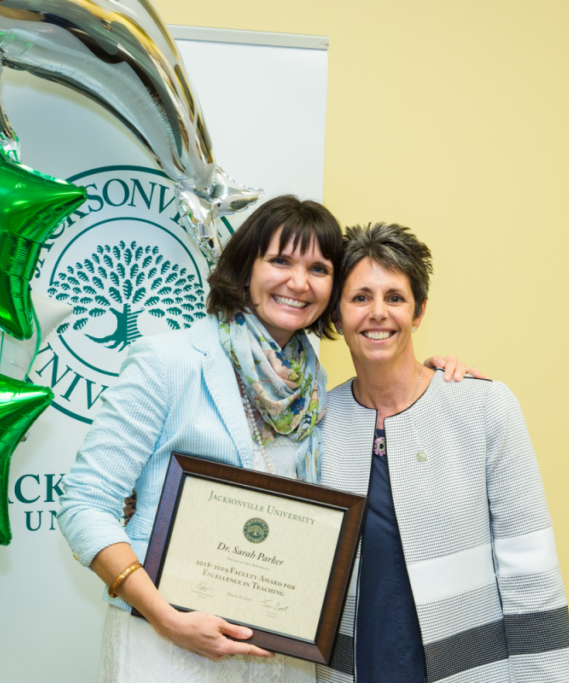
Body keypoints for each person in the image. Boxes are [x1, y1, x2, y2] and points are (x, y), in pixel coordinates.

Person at [56, 197, 479, 683]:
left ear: (332, 293)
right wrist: (166, 617)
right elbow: (84, 503)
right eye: (280, 261)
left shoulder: (315, 387)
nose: (298, 282)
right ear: (245, 270)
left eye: (318, 268)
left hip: (279, 659)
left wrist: (428, 380)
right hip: (168, 646)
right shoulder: (168, 362)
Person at [316, 223, 569, 683]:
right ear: (336, 315)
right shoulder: (316, 423)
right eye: (360, 298)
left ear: (419, 312)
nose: (378, 313)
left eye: (395, 297)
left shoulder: (484, 407)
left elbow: (529, 571)